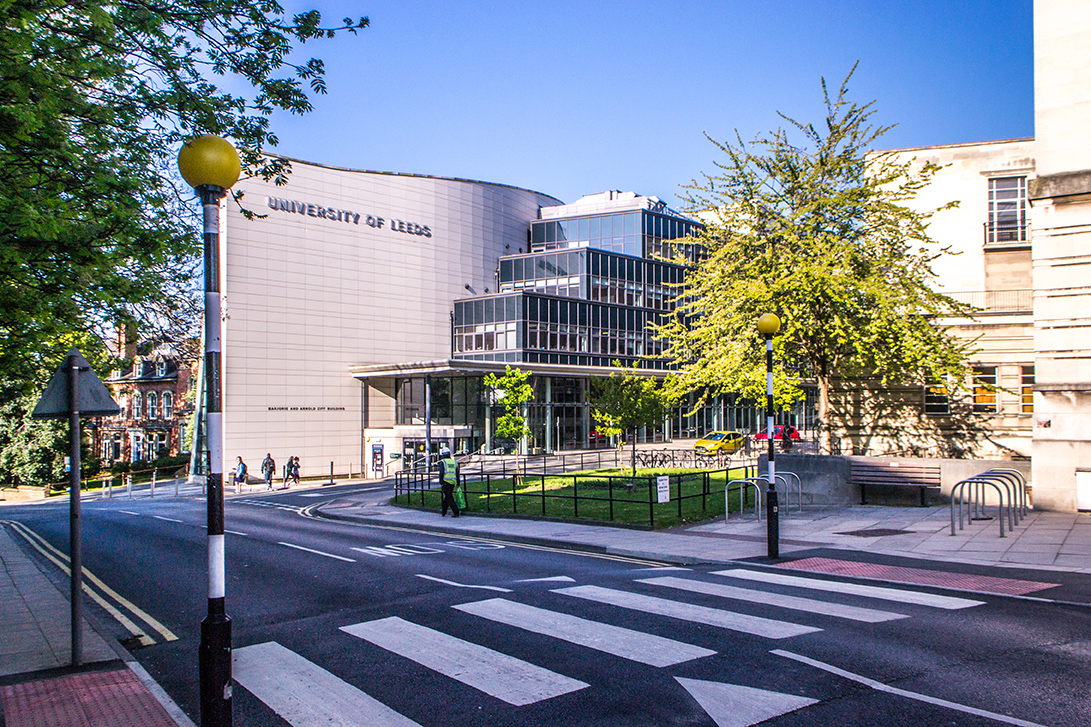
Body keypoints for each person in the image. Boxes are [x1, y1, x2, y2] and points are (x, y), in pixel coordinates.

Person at [438, 446, 460, 517]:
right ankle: (444, 511)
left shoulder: (443, 462)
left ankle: (456, 511)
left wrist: (441, 481)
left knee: (449, 497)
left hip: (446, 482)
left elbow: (441, 473)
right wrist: (458, 482)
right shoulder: (454, 462)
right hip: (453, 482)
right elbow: (457, 473)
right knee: (447, 496)